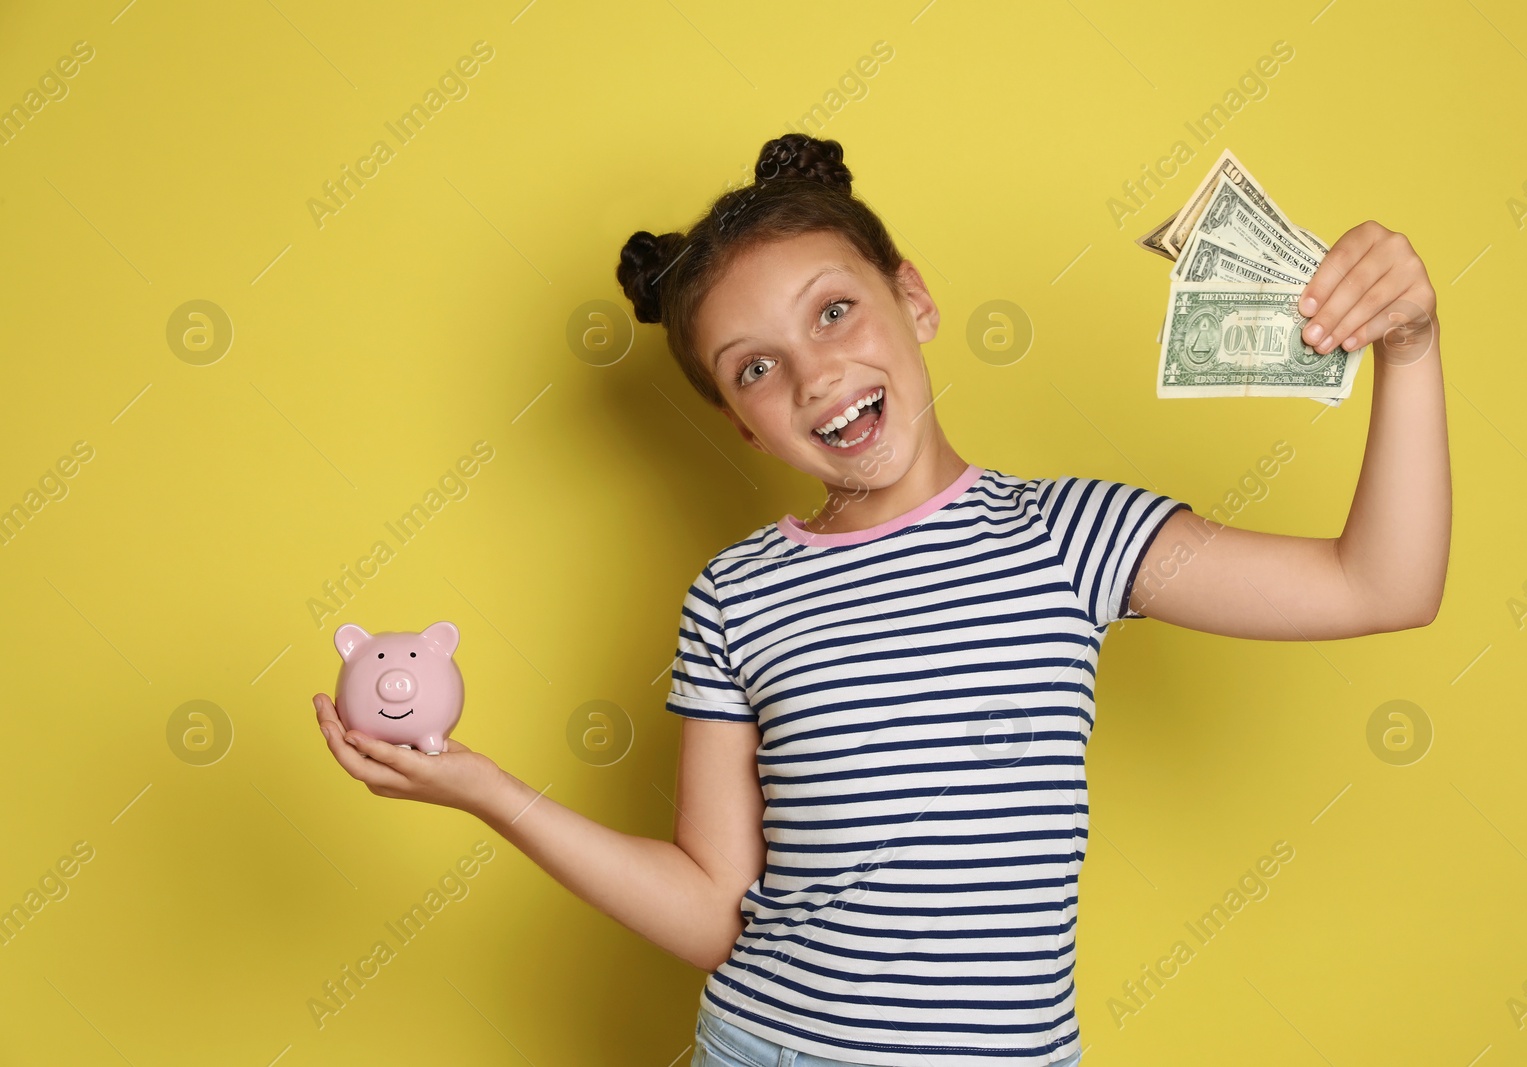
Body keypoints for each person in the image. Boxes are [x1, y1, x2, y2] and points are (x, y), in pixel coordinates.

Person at [312, 132, 1450, 1066]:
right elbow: (715, 909)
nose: (812, 374)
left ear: (912, 298)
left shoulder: (1069, 535)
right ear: (734, 417)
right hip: (767, 1045)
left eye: (832, 311)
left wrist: (1409, 347)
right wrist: (485, 791)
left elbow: (1382, 584)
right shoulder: (735, 595)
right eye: (752, 366)